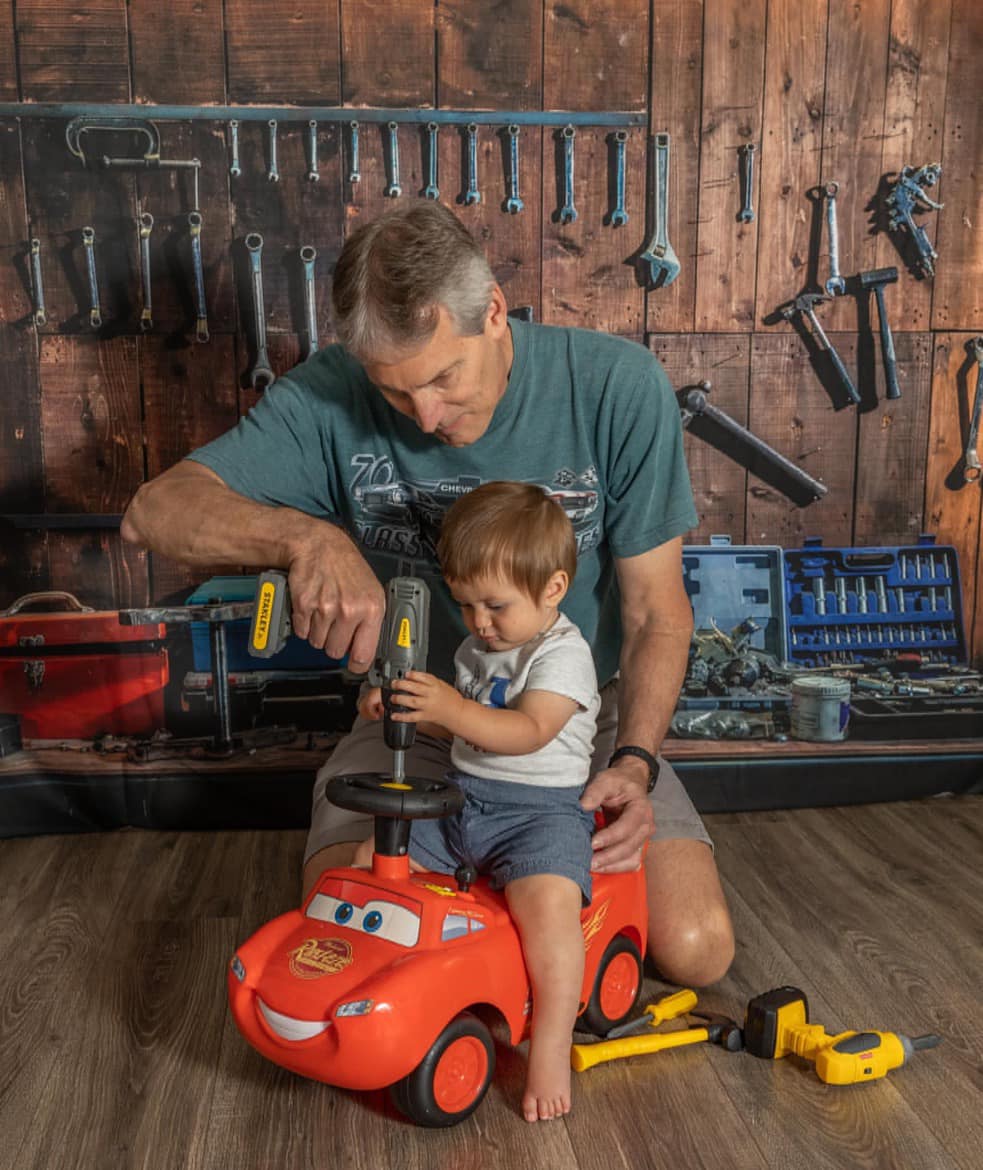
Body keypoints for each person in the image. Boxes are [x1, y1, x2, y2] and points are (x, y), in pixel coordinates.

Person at [120, 199, 734, 1004]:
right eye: (396, 393)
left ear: (494, 315)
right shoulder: (328, 395)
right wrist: (310, 540)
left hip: (576, 717)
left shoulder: (617, 386)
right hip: (411, 714)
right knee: (346, 941)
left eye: (444, 377)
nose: (428, 417)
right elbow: (152, 512)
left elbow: (657, 611)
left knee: (695, 951)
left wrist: (634, 762)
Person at [355, 480, 599, 1121]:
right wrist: (412, 710)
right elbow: (468, 729)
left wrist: (453, 706)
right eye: (465, 606)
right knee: (370, 864)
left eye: (494, 606)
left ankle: (550, 1041)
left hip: (540, 815)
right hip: (463, 807)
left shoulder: (563, 654)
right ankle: (375, 990)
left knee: (549, 914)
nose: (479, 623)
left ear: (553, 588)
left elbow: (525, 732)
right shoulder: (477, 648)